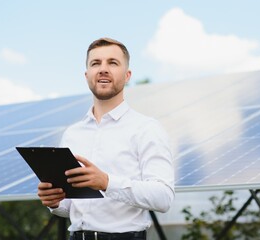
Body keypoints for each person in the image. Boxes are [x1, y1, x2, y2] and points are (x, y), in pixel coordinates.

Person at [37, 37, 175, 240]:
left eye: (112, 62)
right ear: (87, 75)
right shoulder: (72, 134)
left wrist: (107, 182)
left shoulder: (146, 128)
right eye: (95, 63)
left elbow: (163, 197)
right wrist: (55, 202)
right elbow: (70, 209)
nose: (103, 69)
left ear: (127, 75)